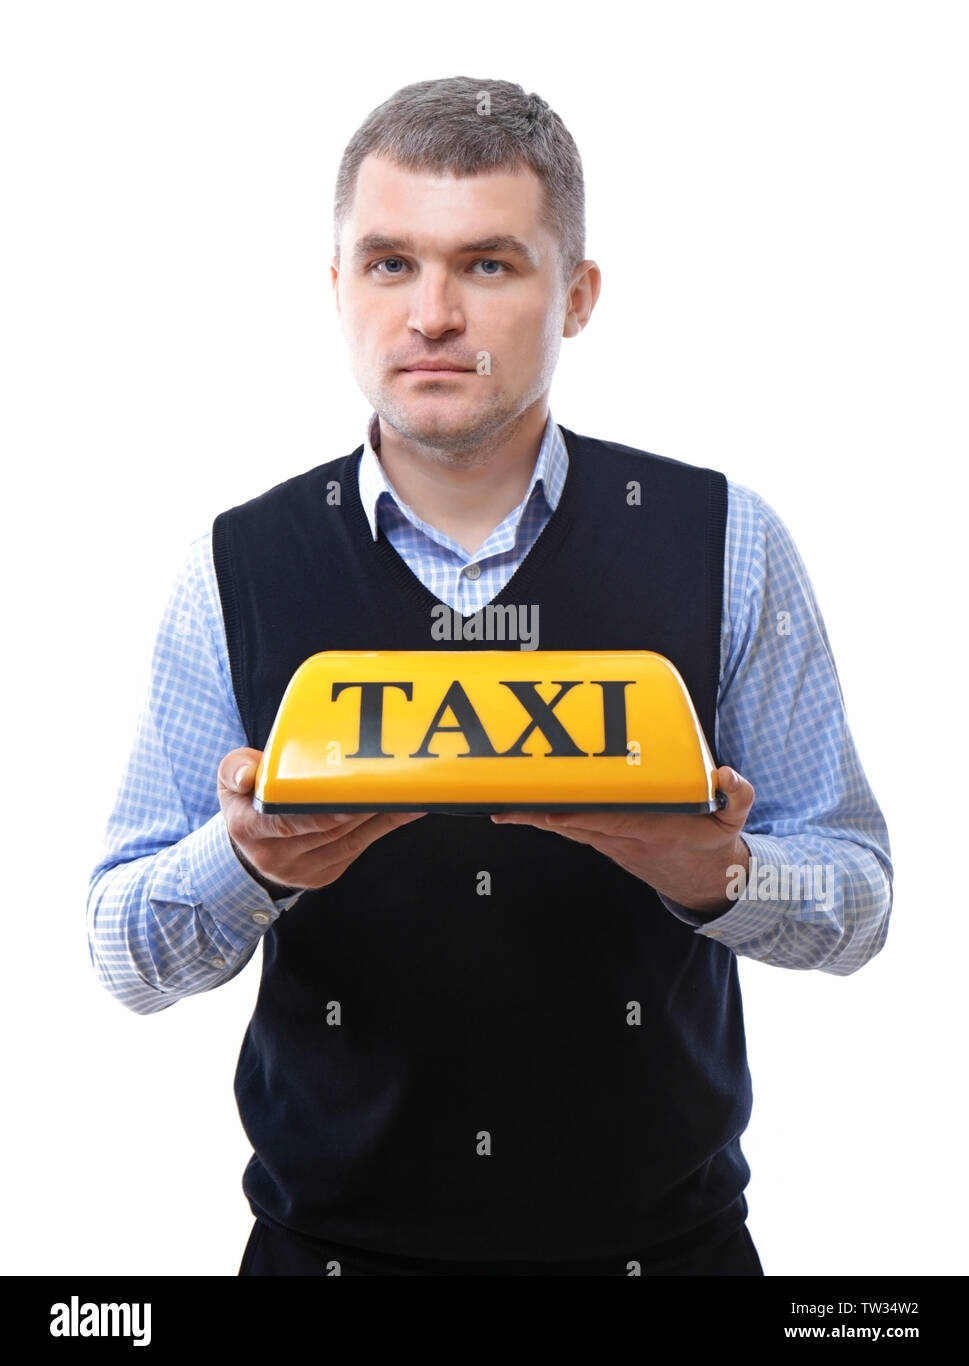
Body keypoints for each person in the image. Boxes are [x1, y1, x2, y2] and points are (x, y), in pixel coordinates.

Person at [87, 75, 893, 1278]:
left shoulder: (724, 540)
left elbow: (859, 904)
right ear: (337, 288)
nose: (432, 315)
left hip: (662, 1257)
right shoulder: (236, 564)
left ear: (577, 296)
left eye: (490, 266)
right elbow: (124, 952)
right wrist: (245, 862)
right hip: (327, 1258)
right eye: (390, 263)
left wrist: (714, 872)